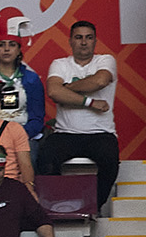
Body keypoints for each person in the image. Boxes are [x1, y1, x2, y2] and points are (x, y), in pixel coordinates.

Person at [39, 21, 118, 211]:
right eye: (78, 37)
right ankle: (58, 206)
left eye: (88, 37)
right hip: (66, 133)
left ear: (95, 41)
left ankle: (92, 207)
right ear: (70, 42)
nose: (84, 42)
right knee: (45, 159)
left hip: (101, 133)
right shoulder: (60, 64)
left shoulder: (106, 60)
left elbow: (99, 81)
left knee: (110, 163)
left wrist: (65, 89)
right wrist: (90, 102)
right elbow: (52, 92)